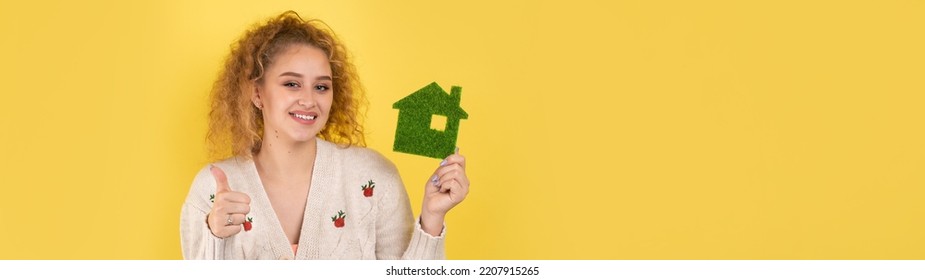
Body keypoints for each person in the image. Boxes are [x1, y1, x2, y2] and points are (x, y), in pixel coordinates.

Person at [180, 11, 470, 260]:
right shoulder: (214, 189)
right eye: (292, 84)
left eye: (321, 87)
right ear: (257, 93)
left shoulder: (375, 176)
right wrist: (215, 239)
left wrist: (432, 218)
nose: (309, 100)